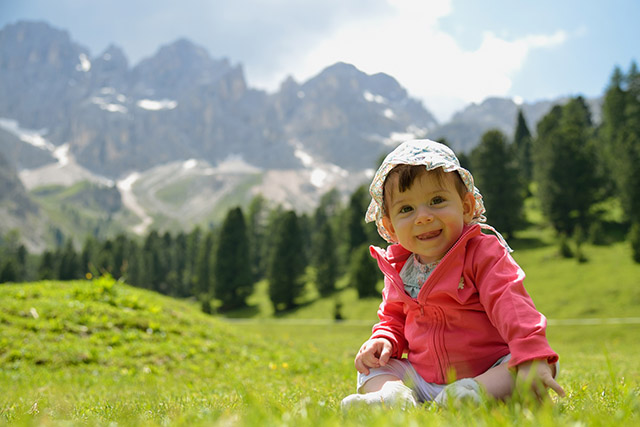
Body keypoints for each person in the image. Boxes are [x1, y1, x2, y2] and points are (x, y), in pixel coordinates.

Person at [341, 139, 565, 409]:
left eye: (437, 201)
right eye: (406, 209)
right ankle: (395, 396)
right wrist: (384, 339)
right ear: (390, 226)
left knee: (520, 365)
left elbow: (512, 305)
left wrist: (532, 355)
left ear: (466, 207)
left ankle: (471, 393)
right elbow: (393, 318)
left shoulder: (482, 253)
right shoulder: (400, 267)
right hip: (424, 377)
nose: (422, 217)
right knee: (371, 367)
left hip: (488, 371)